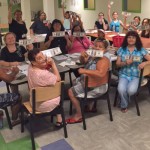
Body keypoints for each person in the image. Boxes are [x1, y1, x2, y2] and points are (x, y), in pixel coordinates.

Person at [66, 38, 110, 123]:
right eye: (95, 45)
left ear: (105, 50)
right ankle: (89, 106)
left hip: (97, 85)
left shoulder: (104, 59)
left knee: (70, 92)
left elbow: (100, 73)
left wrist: (84, 71)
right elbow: (84, 62)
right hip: (91, 82)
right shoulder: (94, 55)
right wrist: (82, 57)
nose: (97, 48)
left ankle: (79, 115)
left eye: (100, 47)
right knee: (75, 81)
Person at [27, 48, 64, 127]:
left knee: (50, 89)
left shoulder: (30, 67)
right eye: (39, 58)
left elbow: (42, 67)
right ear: (33, 62)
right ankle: (59, 118)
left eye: (43, 55)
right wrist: (53, 64)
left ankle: (59, 119)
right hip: (43, 105)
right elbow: (58, 79)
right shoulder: (43, 74)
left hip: (34, 100)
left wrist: (44, 64)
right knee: (58, 91)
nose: (44, 58)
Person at [116, 31, 150, 113]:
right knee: (121, 89)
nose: (131, 39)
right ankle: (124, 105)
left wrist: (144, 63)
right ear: (126, 39)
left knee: (130, 91)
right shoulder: (121, 49)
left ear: (136, 39)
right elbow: (117, 64)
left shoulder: (141, 49)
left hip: (136, 75)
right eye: (129, 37)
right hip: (124, 74)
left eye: (133, 37)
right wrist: (124, 63)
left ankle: (123, 99)